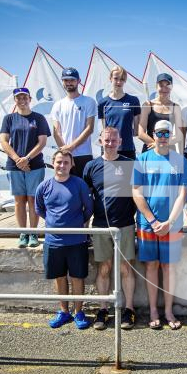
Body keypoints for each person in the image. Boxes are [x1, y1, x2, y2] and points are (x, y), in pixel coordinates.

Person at [132, 119, 187, 330]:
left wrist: (170, 221)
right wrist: (154, 221)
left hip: (171, 225)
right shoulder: (143, 159)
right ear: (153, 135)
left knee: (168, 267)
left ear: (170, 135)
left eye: (167, 133)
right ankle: (154, 310)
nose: (163, 137)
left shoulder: (180, 161)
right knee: (152, 266)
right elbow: (136, 191)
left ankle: (167, 310)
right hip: (148, 225)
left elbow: (183, 193)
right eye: (159, 133)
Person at [83, 126, 137, 330]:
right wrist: (85, 224)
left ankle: (129, 309)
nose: (110, 143)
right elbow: (86, 197)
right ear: (100, 141)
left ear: (120, 141)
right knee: (104, 268)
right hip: (101, 226)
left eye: (114, 139)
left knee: (125, 267)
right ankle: (103, 309)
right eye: (106, 140)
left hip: (125, 224)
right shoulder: (91, 166)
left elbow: (138, 194)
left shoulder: (130, 164)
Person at [34, 149, 94, 329]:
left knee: (77, 277)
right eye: (59, 162)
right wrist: (55, 224)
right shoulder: (44, 186)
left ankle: (79, 312)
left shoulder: (79, 184)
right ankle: (64, 312)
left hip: (76, 241)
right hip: (53, 241)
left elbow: (88, 209)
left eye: (66, 163)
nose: (62, 166)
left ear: (71, 165)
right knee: (59, 277)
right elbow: (40, 209)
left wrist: (75, 224)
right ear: (53, 163)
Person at [0, 87, 51, 248]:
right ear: (15, 100)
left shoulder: (39, 118)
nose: (22, 101)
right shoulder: (9, 119)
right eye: (18, 98)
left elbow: (42, 142)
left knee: (33, 199)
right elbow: (4, 141)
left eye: (24, 97)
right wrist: (17, 159)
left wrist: (27, 159)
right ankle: (23, 233)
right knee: (19, 200)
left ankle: (33, 233)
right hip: (14, 166)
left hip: (34, 165)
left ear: (30, 99)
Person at [51, 67, 97, 177]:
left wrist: (71, 147)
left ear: (78, 81)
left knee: (85, 189)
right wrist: (65, 152)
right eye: (66, 80)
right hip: (64, 156)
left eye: (72, 80)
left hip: (83, 154)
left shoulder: (89, 101)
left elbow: (89, 128)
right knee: (65, 189)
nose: (69, 83)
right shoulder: (58, 105)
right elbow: (56, 132)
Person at [97, 65, 141, 160]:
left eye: (122, 79)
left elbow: (137, 130)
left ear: (125, 80)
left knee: (129, 175)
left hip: (127, 149)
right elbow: (105, 128)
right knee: (109, 175)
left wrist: (125, 134)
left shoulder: (133, 101)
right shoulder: (102, 103)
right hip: (109, 149)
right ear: (110, 78)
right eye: (116, 78)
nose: (118, 82)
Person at [138, 73, 185, 154]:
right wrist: (156, 145)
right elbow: (141, 133)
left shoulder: (176, 107)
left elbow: (179, 135)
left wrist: (161, 145)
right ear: (156, 86)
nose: (164, 88)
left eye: (167, 85)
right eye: (161, 85)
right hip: (149, 150)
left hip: (168, 151)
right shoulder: (148, 105)